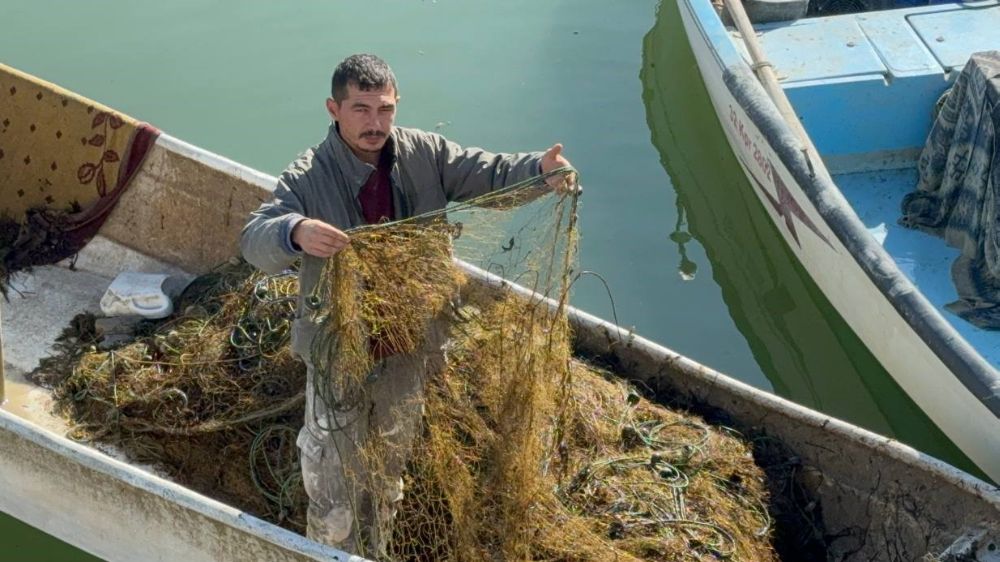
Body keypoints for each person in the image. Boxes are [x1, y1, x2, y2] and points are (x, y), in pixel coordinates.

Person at [240, 54, 575, 554]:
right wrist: (295, 230)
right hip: (339, 350)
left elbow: (490, 175)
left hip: (409, 343)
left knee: (388, 475)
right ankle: (330, 548)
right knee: (333, 489)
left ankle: (376, 548)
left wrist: (540, 171)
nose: (375, 123)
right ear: (333, 108)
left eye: (385, 109)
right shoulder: (309, 175)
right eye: (360, 109)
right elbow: (253, 238)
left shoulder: (426, 153)